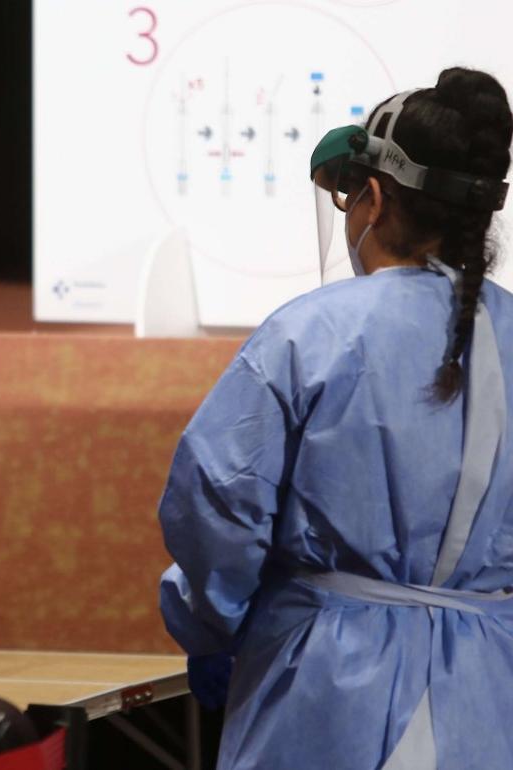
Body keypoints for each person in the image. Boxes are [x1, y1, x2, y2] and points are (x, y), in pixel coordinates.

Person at [159, 67, 513, 769]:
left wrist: (210, 625)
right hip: (491, 697)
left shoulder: (310, 336)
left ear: (373, 200)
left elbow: (218, 507)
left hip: (325, 693)